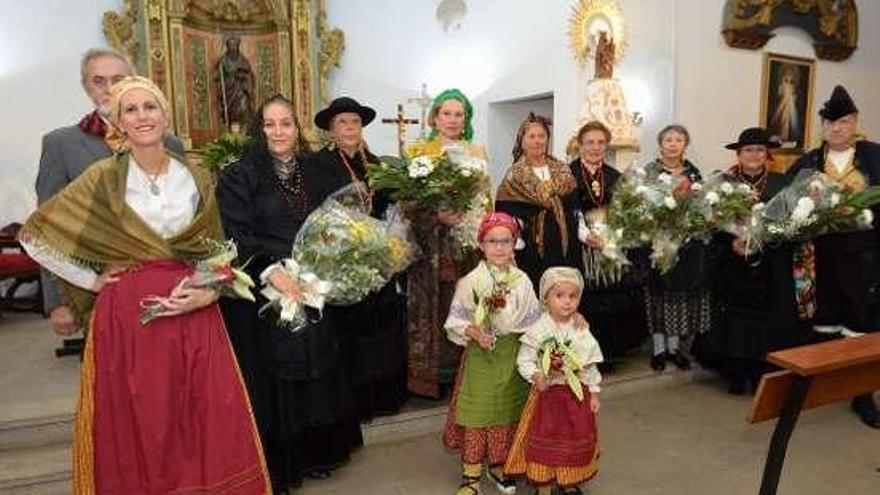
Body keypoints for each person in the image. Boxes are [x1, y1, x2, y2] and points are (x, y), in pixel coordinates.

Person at [19, 76, 269, 494]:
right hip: (129, 317)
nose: (142, 116)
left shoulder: (196, 175)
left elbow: (215, 248)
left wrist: (209, 290)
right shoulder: (103, 178)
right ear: (118, 122)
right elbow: (36, 236)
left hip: (193, 307)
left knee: (200, 414)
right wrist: (92, 280)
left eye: (149, 107)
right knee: (144, 417)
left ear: (165, 115)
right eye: (130, 110)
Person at [217, 94, 364, 491]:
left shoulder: (319, 171)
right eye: (270, 124)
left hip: (313, 282)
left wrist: (329, 261)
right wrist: (273, 272)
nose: (278, 131)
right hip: (266, 287)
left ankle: (319, 453)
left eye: (286, 123)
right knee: (277, 375)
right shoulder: (239, 174)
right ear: (258, 129)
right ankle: (282, 462)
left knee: (318, 367)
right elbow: (236, 234)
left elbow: (339, 222)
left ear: (297, 129)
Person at [35, 47, 184, 340]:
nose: (109, 88)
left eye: (118, 78)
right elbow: (46, 228)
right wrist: (58, 302)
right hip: (99, 291)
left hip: (168, 287)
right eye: (98, 80)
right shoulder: (61, 145)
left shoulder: (171, 145)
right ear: (86, 86)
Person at [787, 85, 880, 428]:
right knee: (822, 318)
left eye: (843, 121)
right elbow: (790, 202)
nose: (837, 128)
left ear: (855, 122)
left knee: (862, 323)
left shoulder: (874, 157)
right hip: (820, 255)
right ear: (822, 126)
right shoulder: (809, 161)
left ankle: (863, 394)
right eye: (830, 122)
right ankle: (822, 385)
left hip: (864, 257)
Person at [312, 96, 408, 420]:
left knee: (381, 325)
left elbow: (392, 206)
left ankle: (383, 396)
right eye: (342, 123)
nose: (350, 128)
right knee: (350, 328)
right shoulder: (317, 165)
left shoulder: (377, 163)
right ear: (331, 129)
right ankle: (354, 401)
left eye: (355, 122)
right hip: (341, 259)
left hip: (377, 258)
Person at [442, 212, 542, 495]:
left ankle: (499, 465)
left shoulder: (522, 281)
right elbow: (455, 320)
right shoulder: (471, 281)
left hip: (512, 355)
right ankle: (471, 475)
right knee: (478, 413)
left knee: (507, 413)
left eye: (505, 241)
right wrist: (475, 332)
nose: (499, 247)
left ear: (515, 244)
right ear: (481, 245)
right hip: (481, 359)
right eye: (492, 241)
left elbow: (535, 320)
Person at [700, 127, 805, 394]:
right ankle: (736, 373)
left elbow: (794, 224)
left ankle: (761, 372)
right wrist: (731, 240)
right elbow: (709, 223)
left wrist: (766, 240)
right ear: (739, 154)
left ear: (766, 154)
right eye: (748, 150)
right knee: (736, 319)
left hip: (771, 264)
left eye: (759, 149)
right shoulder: (723, 183)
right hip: (734, 263)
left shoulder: (783, 183)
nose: (754, 155)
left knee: (766, 320)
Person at [406, 88, 489, 398]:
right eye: (447, 114)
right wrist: (436, 214)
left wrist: (487, 232)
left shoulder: (477, 151)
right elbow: (408, 203)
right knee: (439, 305)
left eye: (459, 114)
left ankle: (469, 371)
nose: (453, 120)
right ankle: (436, 378)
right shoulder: (420, 152)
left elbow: (485, 198)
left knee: (470, 303)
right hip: (433, 247)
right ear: (435, 117)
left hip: (470, 242)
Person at [505, 267, 603, 495]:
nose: (567, 302)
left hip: (575, 396)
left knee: (573, 440)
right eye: (559, 296)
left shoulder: (580, 328)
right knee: (545, 443)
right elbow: (525, 360)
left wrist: (594, 392)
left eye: (573, 296)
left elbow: (588, 364)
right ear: (546, 299)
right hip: (546, 397)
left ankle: (568, 480)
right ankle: (545, 486)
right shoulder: (539, 329)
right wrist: (536, 375)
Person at [569, 120, 647, 368]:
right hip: (580, 248)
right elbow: (564, 212)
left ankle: (607, 353)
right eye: (589, 142)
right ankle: (582, 354)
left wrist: (614, 235)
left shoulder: (616, 176)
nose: (595, 147)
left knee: (610, 299)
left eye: (601, 142)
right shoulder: (567, 175)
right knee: (585, 299)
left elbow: (627, 213)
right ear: (579, 145)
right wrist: (585, 234)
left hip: (609, 247)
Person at [643, 124, 710, 372]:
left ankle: (675, 349)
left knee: (678, 296)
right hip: (657, 243)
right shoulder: (649, 171)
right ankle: (659, 350)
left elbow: (703, 206)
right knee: (659, 294)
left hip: (686, 244)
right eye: (668, 139)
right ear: (660, 144)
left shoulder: (694, 173)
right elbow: (640, 205)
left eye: (678, 139)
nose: (673, 143)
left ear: (685, 144)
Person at [496, 113, 579, 288]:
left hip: (566, 247)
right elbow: (506, 215)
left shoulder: (563, 170)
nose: (537, 141)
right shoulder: (514, 176)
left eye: (542, 136)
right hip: (530, 251)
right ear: (522, 141)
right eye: (532, 136)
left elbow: (574, 208)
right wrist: (512, 244)